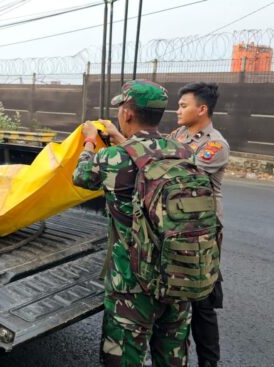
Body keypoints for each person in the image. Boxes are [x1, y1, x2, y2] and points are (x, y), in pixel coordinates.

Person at [73, 81, 192, 366]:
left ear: (127, 113)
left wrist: (90, 140)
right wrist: (118, 137)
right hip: (178, 274)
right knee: (172, 356)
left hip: (132, 283)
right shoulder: (183, 152)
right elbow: (146, 156)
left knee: (124, 357)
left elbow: (82, 176)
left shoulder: (113, 157)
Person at [170, 82, 228, 367]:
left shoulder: (215, 144)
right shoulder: (178, 134)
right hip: (175, 227)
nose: (177, 110)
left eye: (183, 105)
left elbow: (179, 173)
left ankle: (208, 362)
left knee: (202, 303)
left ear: (202, 109)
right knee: (174, 297)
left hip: (202, 233)